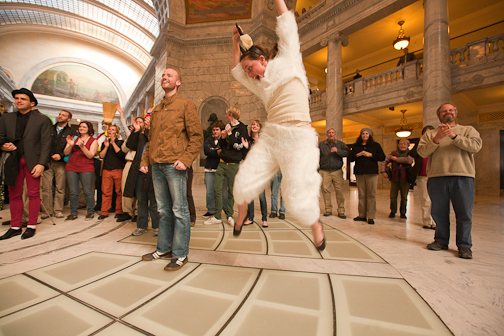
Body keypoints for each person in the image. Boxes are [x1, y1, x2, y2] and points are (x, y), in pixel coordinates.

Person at [230, 0, 325, 250]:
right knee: (243, 182)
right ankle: (242, 214)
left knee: (296, 198)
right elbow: (237, 72)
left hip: (298, 138)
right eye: (248, 71)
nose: (250, 74)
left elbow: (287, 26)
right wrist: (234, 42)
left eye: (251, 67)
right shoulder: (259, 83)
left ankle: (316, 225)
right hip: (272, 138)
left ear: (262, 59)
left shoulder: (290, 62)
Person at [140, 68, 203, 271]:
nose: (164, 77)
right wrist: (145, 160)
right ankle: (163, 248)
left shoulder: (186, 105)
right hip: (157, 165)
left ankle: (180, 254)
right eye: (163, 75)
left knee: (179, 210)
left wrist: (185, 159)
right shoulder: (157, 110)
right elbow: (152, 140)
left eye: (170, 76)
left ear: (178, 83)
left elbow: (196, 137)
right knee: (163, 211)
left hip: (175, 165)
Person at [417, 103, 482, 259]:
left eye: (450, 110)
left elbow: (475, 147)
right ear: (439, 115)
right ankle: (440, 241)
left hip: (463, 176)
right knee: (438, 212)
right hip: (437, 177)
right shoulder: (430, 134)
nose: (447, 112)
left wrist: (454, 137)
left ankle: (464, 245)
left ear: (455, 113)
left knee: (464, 213)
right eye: (444, 111)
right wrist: (437, 138)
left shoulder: (468, 130)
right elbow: (422, 152)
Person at [0, 88, 53, 240]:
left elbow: (46, 143)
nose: (19, 101)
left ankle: (31, 226)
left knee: (33, 193)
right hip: (13, 160)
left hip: (33, 161)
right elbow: (1, 137)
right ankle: (15, 227)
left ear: (32, 103)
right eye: (17, 98)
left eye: (23, 98)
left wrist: (42, 164)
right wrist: (3, 146)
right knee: (14, 194)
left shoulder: (42, 120)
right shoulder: (6, 118)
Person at [204, 106, 248, 226]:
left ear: (231, 115)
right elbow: (222, 144)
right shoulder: (227, 126)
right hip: (222, 163)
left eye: (227, 114)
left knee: (231, 192)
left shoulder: (242, 128)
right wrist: (223, 137)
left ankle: (229, 215)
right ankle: (217, 216)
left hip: (234, 165)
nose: (225, 116)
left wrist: (229, 134)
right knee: (216, 188)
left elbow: (239, 147)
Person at [123, 116, 159, 236]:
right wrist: (136, 131)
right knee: (141, 201)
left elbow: (151, 137)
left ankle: (157, 227)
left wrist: (149, 127)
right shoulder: (140, 135)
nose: (145, 123)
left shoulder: (155, 133)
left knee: (154, 202)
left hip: (152, 170)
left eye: (145, 121)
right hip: (139, 171)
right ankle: (141, 226)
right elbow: (130, 144)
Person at [41, 109, 78, 219]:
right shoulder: (49, 128)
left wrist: (60, 155)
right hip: (47, 161)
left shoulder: (72, 132)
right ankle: (47, 211)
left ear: (68, 118)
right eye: (60, 114)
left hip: (61, 163)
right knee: (46, 187)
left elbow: (72, 149)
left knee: (60, 188)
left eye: (63, 115)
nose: (60, 116)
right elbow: (44, 143)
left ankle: (58, 210)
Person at [348, 128, 385, 225]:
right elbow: (350, 158)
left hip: (371, 173)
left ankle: (371, 216)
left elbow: (382, 157)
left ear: (370, 135)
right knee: (362, 195)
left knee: (371, 194)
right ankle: (362, 215)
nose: (364, 135)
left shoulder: (375, 145)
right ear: (360, 135)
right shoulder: (356, 146)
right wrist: (358, 154)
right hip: (360, 173)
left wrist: (371, 155)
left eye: (366, 134)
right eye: (363, 134)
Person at [63, 121, 98, 221]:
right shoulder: (74, 138)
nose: (81, 128)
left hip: (86, 167)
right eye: (80, 126)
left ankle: (90, 211)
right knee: (73, 191)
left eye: (84, 127)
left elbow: (90, 155)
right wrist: (70, 145)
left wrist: (82, 146)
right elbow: (66, 152)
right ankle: (73, 212)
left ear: (89, 129)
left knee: (87, 191)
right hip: (71, 166)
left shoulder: (93, 140)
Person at [243, 120, 268, 227]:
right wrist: (247, 148)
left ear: (259, 128)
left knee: (261, 196)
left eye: (257, 125)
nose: (254, 126)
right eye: (253, 124)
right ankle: (251, 218)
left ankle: (264, 219)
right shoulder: (247, 140)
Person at [319, 128, 349, 218]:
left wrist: (338, 151)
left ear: (335, 134)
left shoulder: (340, 144)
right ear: (327, 135)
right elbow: (316, 156)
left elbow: (347, 153)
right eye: (329, 133)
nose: (331, 134)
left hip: (337, 171)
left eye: (332, 133)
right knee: (325, 190)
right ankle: (328, 209)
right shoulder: (321, 144)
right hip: (324, 171)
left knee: (339, 190)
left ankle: (341, 210)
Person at [381, 138, 414, 219]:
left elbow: (409, 160)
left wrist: (396, 159)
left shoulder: (410, 153)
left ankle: (403, 212)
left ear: (408, 146)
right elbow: (384, 162)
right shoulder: (393, 153)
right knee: (393, 196)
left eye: (404, 144)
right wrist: (383, 171)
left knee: (404, 197)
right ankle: (393, 211)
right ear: (398, 145)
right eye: (401, 144)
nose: (402, 145)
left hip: (405, 178)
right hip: (394, 177)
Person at [410, 125, 436, 229]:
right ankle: (426, 221)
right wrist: (419, 142)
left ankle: (435, 221)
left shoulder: (438, 143)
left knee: (435, 200)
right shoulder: (420, 145)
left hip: (435, 175)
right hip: (422, 175)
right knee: (425, 199)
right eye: (426, 133)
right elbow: (412, 154)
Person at [98, 125, 126, 220]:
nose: (110, 131)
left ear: (116, 133)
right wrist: (106, 147)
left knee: (119, 192)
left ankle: (119, 210)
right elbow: (101, 156)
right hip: (106, 170)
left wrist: (113, 143)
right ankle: (104, 211)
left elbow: (121, 154)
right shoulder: (104, 142)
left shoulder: (121, 142)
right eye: (109, 129)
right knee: (106, 192)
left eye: (113, 129)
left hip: (118, 169)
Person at [202, 121, 228, 218]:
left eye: (217, 130)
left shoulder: (225, 140)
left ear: (221, 131)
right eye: (213, 130)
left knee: (223, 191)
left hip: (221, 169)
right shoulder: (208, 140)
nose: (215, 132)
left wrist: (215, 151)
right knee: (209, 191)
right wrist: (217, 151)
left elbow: (225, 152)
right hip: (209, 169)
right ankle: (211, 210)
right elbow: (206, 151)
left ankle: (225, 209)